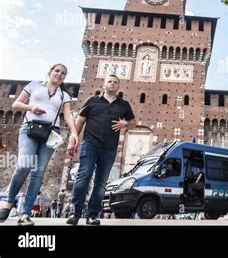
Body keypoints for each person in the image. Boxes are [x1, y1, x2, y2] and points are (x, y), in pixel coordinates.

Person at [0, 64, 78, 226]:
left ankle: (25, 214)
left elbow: (68, 115)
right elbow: (15, 105)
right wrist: (31, 107)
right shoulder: (34, 85)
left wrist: (74, 132)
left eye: (63, 73)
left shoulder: (64, 95)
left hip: (51, 133)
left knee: (39, 173)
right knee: (23, 166)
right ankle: (8, 202)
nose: (59, 74)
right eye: (57, 71)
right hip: (30, 128)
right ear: (50, 72)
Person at [66, 74, 136, 226]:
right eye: (109, 82)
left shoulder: (123, 105)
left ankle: (92, 215)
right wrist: (73, 141)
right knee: (84, 176)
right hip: (90, 144)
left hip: (109, 148)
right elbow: (79, 121)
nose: (112, 84)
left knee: (101, 182)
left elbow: (133, 123)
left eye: (115, 82)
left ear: (118, 86)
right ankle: (75, 212)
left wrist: (125, 123)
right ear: (104, 84)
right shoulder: (92, 101)